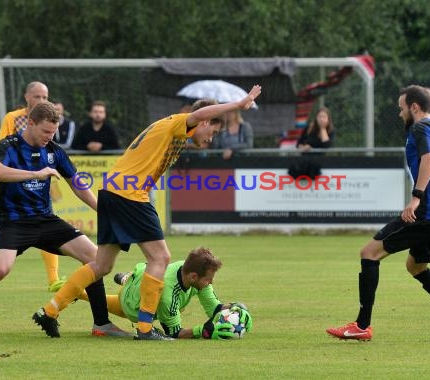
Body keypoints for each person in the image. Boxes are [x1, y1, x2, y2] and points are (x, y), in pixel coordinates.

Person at [33, 85, 262, 341]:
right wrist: (239, 105)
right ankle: (144, 328)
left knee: (101, 264)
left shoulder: (171, 130)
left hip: (112, 191)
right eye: (214, 131)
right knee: (160, 258)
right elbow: (198, 115)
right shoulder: (179, 123)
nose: (212, 138)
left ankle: (50, 311)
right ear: (205, 120)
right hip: (130, 194)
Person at [0, 102, 130, 340]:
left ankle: (101, 323)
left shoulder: (54, 150)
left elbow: (77, 185)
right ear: (30, 123)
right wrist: (37, 174)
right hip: (14, 222)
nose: (49, 137)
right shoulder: (9, 145)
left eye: (53, 132)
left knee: (95, 259)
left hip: (45, 220)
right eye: (45, 131)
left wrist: (104, 210)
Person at [326, 85, 430, 341]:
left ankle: (362, 326)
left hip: (427, 211)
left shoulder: (421, 128)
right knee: (416, 267)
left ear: (414, 107)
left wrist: (415, 198)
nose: (400, 113)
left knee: (369, 253)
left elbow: (429, 159)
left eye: (401, 108)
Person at [0, 81, 66, 293]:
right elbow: (3, 148)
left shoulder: (50, 119)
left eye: (45, 97)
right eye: (37, 96)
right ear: (27, 97)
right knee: (3, 233)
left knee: (48, 222)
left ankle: (53, 280)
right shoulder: (13, 118)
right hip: (16, 180)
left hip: (41, 180)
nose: (42, 100)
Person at [71, 247, 253, 339]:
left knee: (146, 272)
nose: (211, 282)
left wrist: (234, 307)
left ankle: (80, 291)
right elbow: (174, 333)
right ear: (193, 277)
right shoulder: (168, 297)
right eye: (208, 279)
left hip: (145, 278)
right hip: (133, 307)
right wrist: (204, 331)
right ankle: (129, 279)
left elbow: (214, 308)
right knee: (137, 291)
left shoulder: (190, 269)